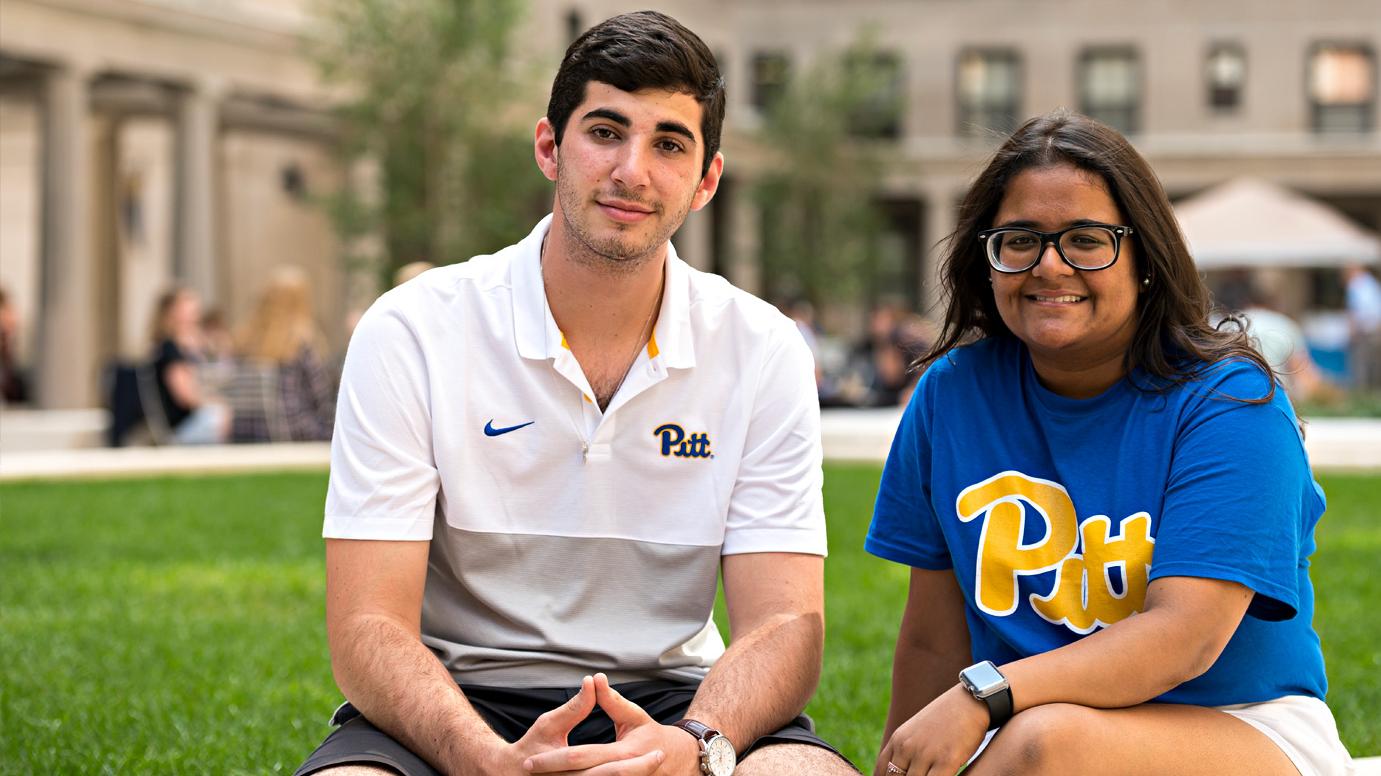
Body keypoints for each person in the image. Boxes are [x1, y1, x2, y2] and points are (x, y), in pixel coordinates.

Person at [297, 12, 856, 776]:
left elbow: (785, 622)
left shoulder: (761, 349)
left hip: (676, 701)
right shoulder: (414, 328)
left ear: (706, 181)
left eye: (668, 144)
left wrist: (696, 745)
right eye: (604, 131)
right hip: (457, 699)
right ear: (548, 147)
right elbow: (367, 624)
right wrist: (481, 758)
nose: (632, 170)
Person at [866, 110, 1352, 776]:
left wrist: (985, 698)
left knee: (1050, 743)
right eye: (1019, 240)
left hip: (1235, 723)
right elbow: (928, 639)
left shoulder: (1230, 404)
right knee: (1045, 740)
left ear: (1144, 256)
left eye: (1085, 240)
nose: (1048, 265)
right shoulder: (951, 395)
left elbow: (1183, 637)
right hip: (1022, 724)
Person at [231, 266, 336, 443]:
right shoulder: (302, 340)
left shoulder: (244, 337)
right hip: (293, 428)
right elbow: (320, 395)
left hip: (247, 430)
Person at [149, 287, 231, 445]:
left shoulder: (198, 345)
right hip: (182, 427)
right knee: (217, 415)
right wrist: (217, 402)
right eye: (187, 306)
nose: (195, 311)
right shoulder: (169, 348)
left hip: (198, 417)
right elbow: (185, 396)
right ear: (172, 312)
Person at [1343, 263, 1381, 391]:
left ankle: (1362, 393)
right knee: (1374, 365)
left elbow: (1355, 311)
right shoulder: (1371, 283)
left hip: (1364, 331)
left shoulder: (1356, 284)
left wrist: (1351, 332)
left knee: (1361, 365)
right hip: (1375, 329)